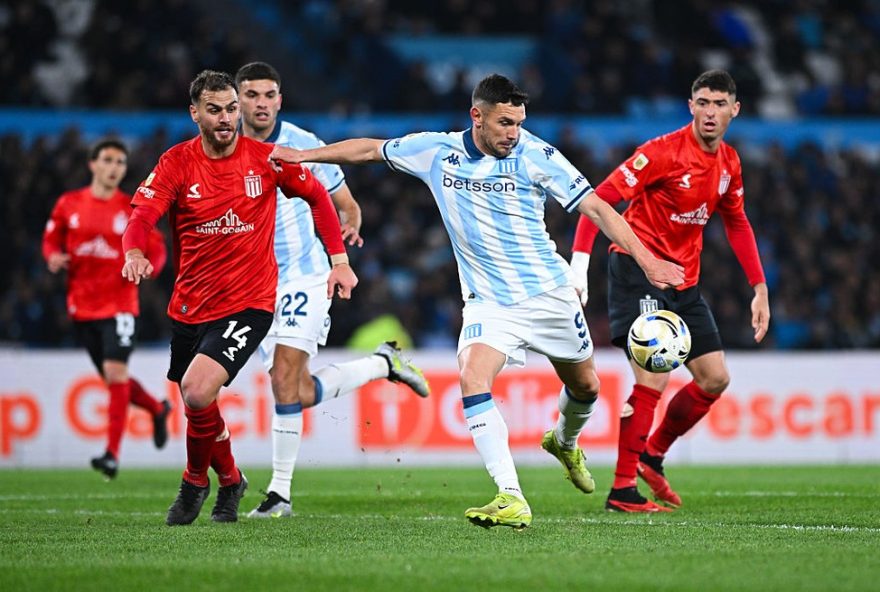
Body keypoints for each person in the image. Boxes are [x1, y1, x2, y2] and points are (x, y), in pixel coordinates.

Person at [269, 73, 685, 529]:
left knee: (586, 386)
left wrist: (648, 261)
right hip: (488, 303)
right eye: (505, 123)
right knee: (471, 376)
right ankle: (510, 495)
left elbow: (598, 208)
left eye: (519, 123)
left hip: (549, 294)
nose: (514, 133)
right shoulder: (437, 151)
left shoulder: (537, 155)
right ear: (477, 116)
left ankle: (564, 442)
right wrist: (304, 156)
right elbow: (370, 148)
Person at [121, 70, 358, 526]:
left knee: (195, 389)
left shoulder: (268, 159)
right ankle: (231, 479)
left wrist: (339, 260)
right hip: (190, 305)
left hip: (250, 302)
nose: (227, 118)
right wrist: (133, 250)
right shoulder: (176, 163)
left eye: (231, 109)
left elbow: (319, 198)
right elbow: (142, 215)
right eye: (215, 110)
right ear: (195, 113)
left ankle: (195, 482)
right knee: (199, 403)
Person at [235, 61, 430, 519]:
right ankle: (382, 362)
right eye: (252, 95)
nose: (261, 104)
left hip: (305, 276)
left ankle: (279, 494)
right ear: (237, 100)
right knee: (297, 390)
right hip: (251, 285)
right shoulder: (226, 148)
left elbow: (345, 202)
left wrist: (351, 224)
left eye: (269, 95)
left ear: (280, 99)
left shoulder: (304, 144)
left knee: (284, 381)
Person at [569, 69, 770, 512]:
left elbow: (736, 222)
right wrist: (579, 265)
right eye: (703, 102)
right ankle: (622, 490)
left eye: (720, 104)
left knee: (715, 378)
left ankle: (652, 456)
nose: (710, 112)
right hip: (637, 271)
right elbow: (596, 202)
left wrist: (759, 287)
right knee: (655, 371)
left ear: (735, 110)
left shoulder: (730, 163)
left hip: (684, 281)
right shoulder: (661, 152)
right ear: (691, 107)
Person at [42, 139, 171, 480]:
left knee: (115, 375)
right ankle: (158, 410)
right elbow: (51, 238)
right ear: (93, 164)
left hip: (120, 305)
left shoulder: (130, 209)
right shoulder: (69, 204)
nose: (115, 167)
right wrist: (52, 256)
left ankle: (111, 454)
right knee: (116, 380)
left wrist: (149, 267)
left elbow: (156, 248)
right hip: (82, 307)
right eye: (109, 160)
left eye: (121, 162)